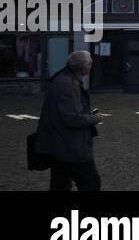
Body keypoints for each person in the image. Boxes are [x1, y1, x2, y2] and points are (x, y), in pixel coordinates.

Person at [36, 50, 104, 191]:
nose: (91, 67)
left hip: (58, 145)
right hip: (70, 147)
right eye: (90, 63)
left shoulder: (62, 78)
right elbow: (71, 118)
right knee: (91, 182)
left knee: (60, 183)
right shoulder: (69, 84)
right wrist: (95, 118)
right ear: (84, 67)